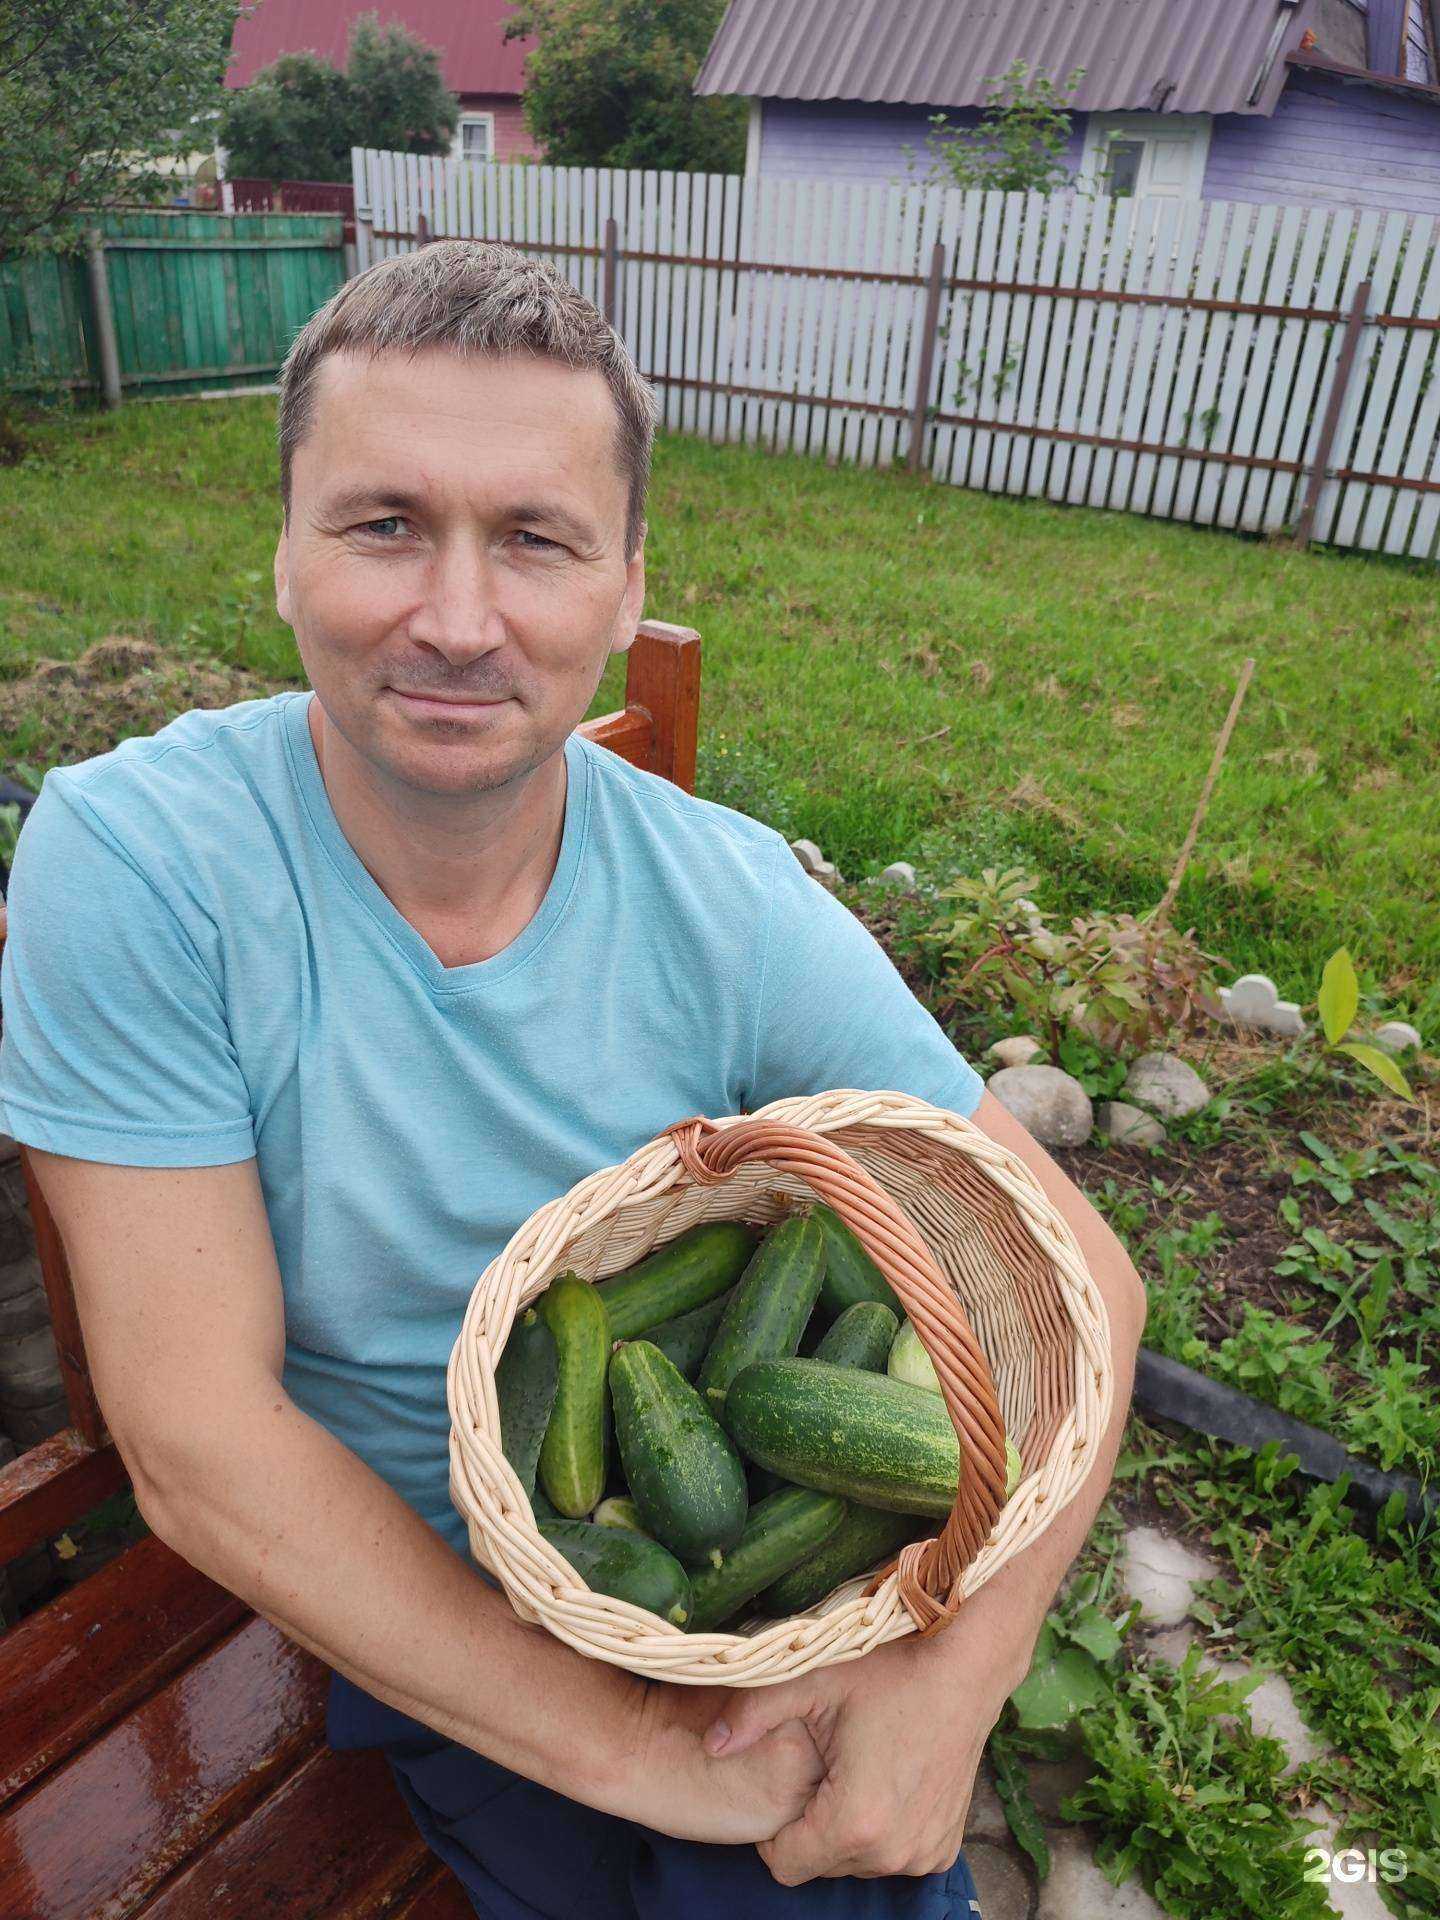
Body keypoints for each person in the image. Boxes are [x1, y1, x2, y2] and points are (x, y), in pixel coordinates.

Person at [0, 240, 1146, 1918]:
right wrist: (640, 1756)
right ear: (283, 554)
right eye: (385, 523)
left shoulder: (728, 898)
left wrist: (951, 1690)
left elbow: (1088, 1282)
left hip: (740, 1601)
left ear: (623, 593)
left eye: (535, 541)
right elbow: (197, 1434)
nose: (457, 620)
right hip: (411, 1594)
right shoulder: (145, 862)